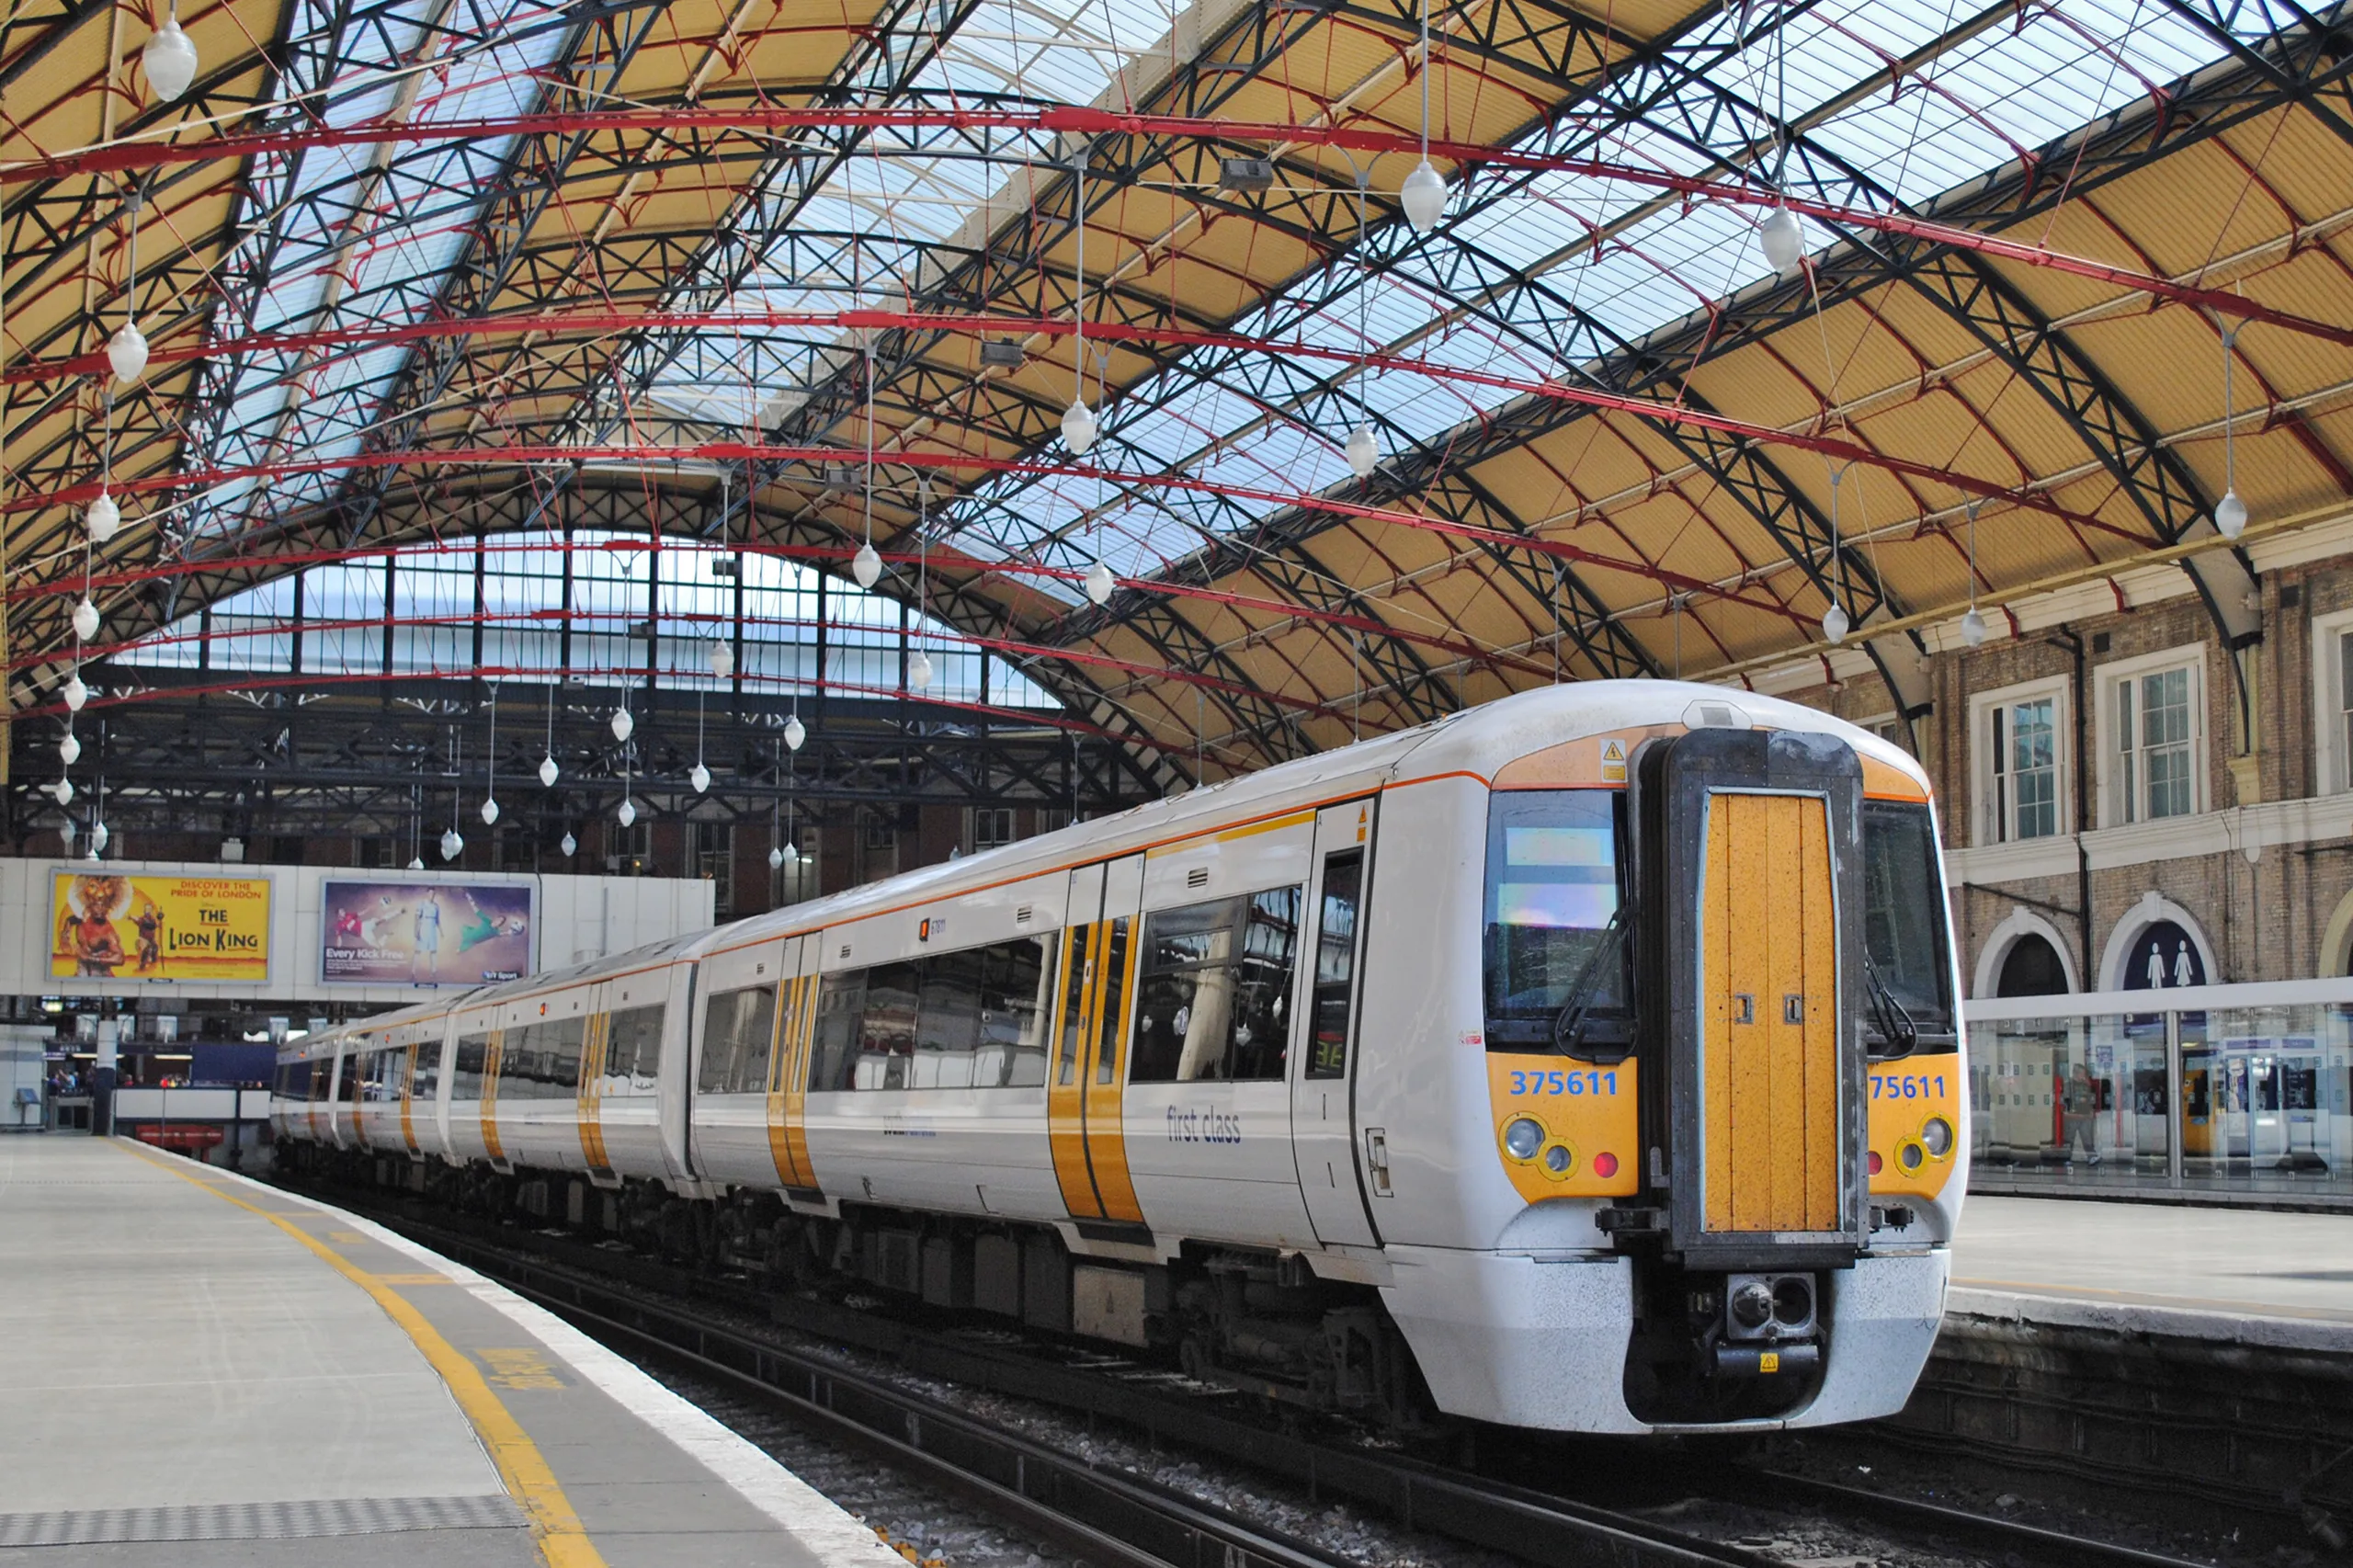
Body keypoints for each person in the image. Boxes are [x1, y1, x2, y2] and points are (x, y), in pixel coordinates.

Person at [2062, 1062, 2100, 1165]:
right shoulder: (2067, 1085)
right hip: (2073, 1116)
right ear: (2076, 1073)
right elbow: (2066, 1102)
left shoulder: (2085, 1085)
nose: (2084, 1076)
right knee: (2069, 1138)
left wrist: (2091, 1109)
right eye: (2082, 1073)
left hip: (2085, 1115)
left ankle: (2091, 1156)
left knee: (2087, 1136)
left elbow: (2091, 1098)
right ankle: (2066, 1158)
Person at [413, 893, 443, 982]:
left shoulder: (436, 906)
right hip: (423, 928)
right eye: (430, 893)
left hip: (432, 929)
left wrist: (441, 932)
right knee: (418, 950)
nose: (432, 896)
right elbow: (417, 917)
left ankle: (434, 972)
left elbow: (438, 920)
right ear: (427, 894)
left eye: (433, 894)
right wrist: (416, 930)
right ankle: (413, 971)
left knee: (433, 951)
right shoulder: (422, 904)